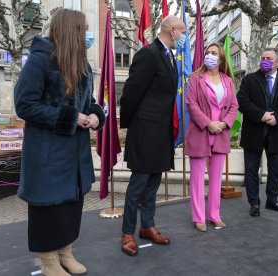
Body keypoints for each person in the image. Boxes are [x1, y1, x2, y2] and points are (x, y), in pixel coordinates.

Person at [14, 9, 105, 276]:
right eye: (84, 28)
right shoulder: (39, 61)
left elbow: (89, 103)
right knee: (48, 210)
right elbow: (24, 105)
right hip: (47, 153)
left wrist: (94, 116)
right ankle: (48, 262)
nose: (88, 34)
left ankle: (65, 252)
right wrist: (70, 117)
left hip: (74, 155)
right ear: (71, 30)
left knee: (69, 207)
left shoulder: (83, 66)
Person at [119, 15, 185, 256]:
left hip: (161, 131)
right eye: (181, 31)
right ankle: (128, 232)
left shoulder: (169, 56)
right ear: (170, 30)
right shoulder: (148, 53)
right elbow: (131, 92)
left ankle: (147, 226)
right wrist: (129, 124)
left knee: (153, 182)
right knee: (138, 184)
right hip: (146, 130)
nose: (183, 36)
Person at [237, 48, 278, 216]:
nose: (265, 60)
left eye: (269, 58)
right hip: (253, 132)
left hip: (276, 133)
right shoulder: (250, 80)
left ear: (277, 62)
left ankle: (272, 200)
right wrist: (261, 115)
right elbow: (241, 101)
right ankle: (254, 203)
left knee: (275, 169)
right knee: (251, 170)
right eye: (263, 57)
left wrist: (277, 117)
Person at [184, 43, 238, 232]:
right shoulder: (195, 79)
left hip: (221, 134)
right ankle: (199, 217)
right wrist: (208, 123)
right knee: (197, 178)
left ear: (221, 58)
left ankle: (214, 215)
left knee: (216, 178)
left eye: (214, 53)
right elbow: (191, 104)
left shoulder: (228, 81)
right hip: (201, 133)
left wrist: (224, 124)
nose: (210, 56)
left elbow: (233, 106)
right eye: (207, 53)